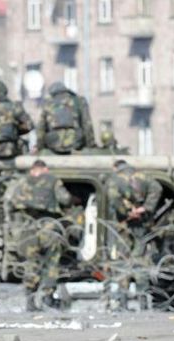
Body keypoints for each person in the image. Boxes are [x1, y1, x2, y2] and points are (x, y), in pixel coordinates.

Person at [7, 159, 72, 311]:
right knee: (52, 262)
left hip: (27, 228)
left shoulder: (22, 182)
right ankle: (48, 297)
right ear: (45, 169)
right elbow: (65, 199)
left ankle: (30, 301)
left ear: (32, 170)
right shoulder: (53, 180)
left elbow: (10, 203)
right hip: (48, 226)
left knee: (31, 264)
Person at [106, 160, 163, 306]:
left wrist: (126, 212)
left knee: (123, 259)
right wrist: (145, 208)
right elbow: (157, 188)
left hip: (123, 224)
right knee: (140, 259)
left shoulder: (115, 179)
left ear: (116, 168)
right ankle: (142, 298)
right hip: (142, 223)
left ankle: (122, 300)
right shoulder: (143, 176)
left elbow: (113, 197)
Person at [35, 82, 96, 155]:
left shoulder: (48, 103)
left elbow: (40, 127)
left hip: (53, 143)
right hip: (76, 143)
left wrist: (39, 147)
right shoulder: (78, 100)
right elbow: (87, 124)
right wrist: (90, 145)